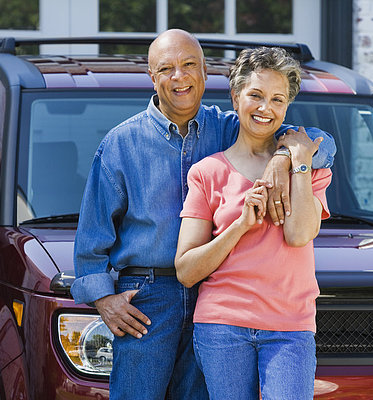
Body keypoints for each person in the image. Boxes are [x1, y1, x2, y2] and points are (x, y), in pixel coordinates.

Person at [72, 29, 335, 400]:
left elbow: (320, 143)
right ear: (152, 76)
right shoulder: (121, 143)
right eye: (166, 68)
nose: (179, 77)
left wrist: (283, 157)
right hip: (148, 297)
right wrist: (103, 298)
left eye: (188, 65)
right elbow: (92, 234)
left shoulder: (231, 127)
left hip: (213, 294)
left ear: (205, 71)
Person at [174, 46, 332, 400]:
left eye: (277, 99)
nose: (266, 108)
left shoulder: (312, 169)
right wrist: (240, 225)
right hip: (222, 325)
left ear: (287, 105)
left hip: (289, 328)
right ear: (235, 97)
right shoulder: (207, 173)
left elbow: (299, 234)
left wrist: (299, 163)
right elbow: (186, 270)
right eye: (256, 96)